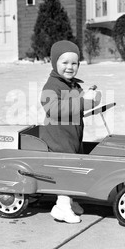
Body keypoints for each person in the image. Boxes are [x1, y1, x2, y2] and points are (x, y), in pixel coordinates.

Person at [40, 40, 101, 223]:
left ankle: (69, 200)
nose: (70, 67)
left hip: (71, 136)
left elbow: (76, 104)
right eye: (64, 62)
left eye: (74, 63)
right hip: (57, 137)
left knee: (74, 168)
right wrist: (82, 102)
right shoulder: (51, 86)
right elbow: (54, 109)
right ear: (54, 63)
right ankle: (61, 207)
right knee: (66, 171)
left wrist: (88, 96)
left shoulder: (72, 85)